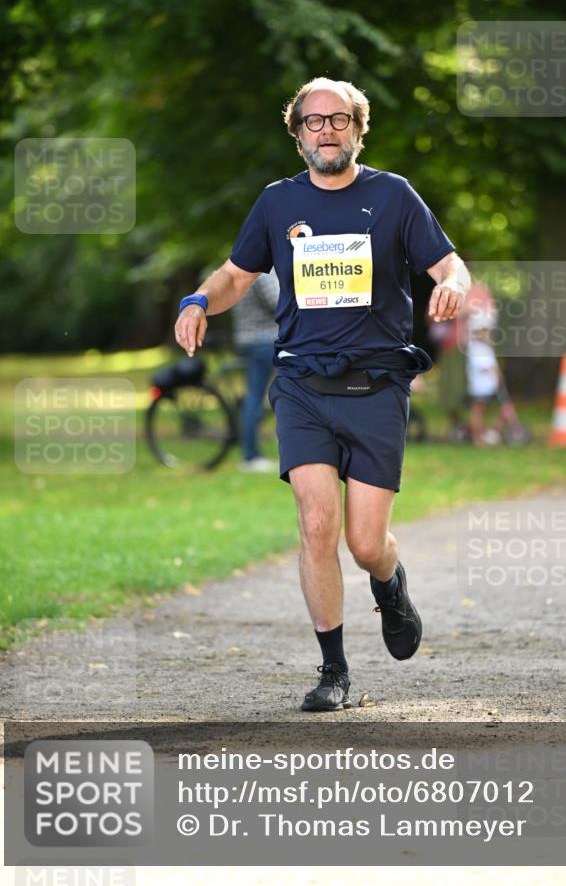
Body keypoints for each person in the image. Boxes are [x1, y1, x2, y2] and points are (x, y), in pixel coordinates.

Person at [175, 77, 470, 710]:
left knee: (365, 543)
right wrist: (200, 300)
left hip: (376, 384)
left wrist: (455, 286)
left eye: (339, 120)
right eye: (314, 122)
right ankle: (333, 670)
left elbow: (449, 264)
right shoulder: (277, 203)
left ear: (358, 129)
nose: (327, 130)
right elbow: (235, 274)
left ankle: (390, 586)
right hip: (304, 382)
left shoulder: (393, 196)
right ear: (298, 134)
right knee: (315, 524)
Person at [232, 268, 280, 472]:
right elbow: (279, 302)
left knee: (254, 396)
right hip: (264, 339)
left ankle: (250, 453)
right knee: (260, 398)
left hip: (246, 338)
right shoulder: (264, 272)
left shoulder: (242, 267)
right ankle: (251, 455)